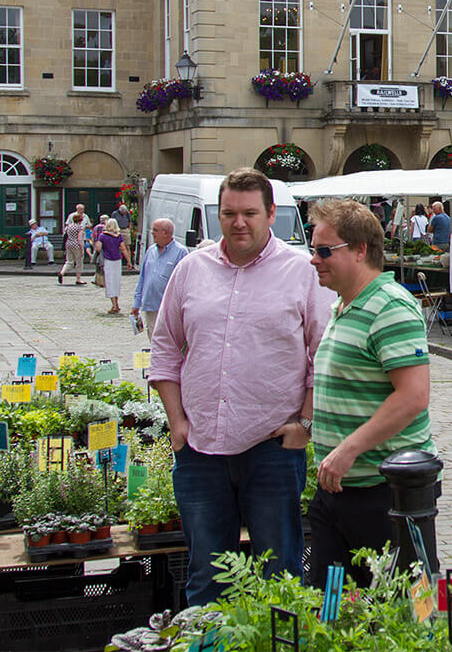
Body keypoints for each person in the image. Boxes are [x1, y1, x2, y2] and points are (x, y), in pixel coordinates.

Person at [150, 168, 331, 606]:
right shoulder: (191, 269)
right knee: (207, 577)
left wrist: (304, 423)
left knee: (279, 575)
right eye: (229, 213)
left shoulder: (300, 272)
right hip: (199, 448)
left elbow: (320, 356)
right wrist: (176, 423)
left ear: (272, 214)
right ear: (217, 215)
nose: (239, 223)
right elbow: (164, 349)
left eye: (250, 213)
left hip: (271, 446)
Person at [305, 198, 437, 589]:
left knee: (403, 607)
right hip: (338, 491)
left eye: (325, 250)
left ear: (361, 250)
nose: (315, 259)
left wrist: (347, 449)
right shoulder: (344, 305)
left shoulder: (390, 306)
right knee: (329, 607)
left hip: (383, 495)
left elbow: (413, 396)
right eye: (313, 250)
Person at [131, 219, 187, 340]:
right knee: (154, 341)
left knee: (168, 343)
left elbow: (185, 283)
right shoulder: (150, 251)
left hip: (169, 310)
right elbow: (143, 278)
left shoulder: (181, 252)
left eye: (155, 230)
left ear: (166, 233)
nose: (152, 233)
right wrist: (136, 303)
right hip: (151, 306)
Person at [94, 218, 133, 314]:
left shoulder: (103, 236)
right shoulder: (119, 236)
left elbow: (98, 248)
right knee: (116, 281)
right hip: (117, 260)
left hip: (108, 260)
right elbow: (123, 249)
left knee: (110, 282)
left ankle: (114, 305)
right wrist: (128, 261)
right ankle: (117, 303)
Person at [60, 205, 89, 285]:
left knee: (69, 261)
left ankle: (62, 272)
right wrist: (82, 249)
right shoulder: (80, 228)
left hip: (69, 244)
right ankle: (78, 278)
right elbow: (80, 239)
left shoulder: (69, 227)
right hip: (77, 246)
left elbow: (66, 234)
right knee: (79, 263)